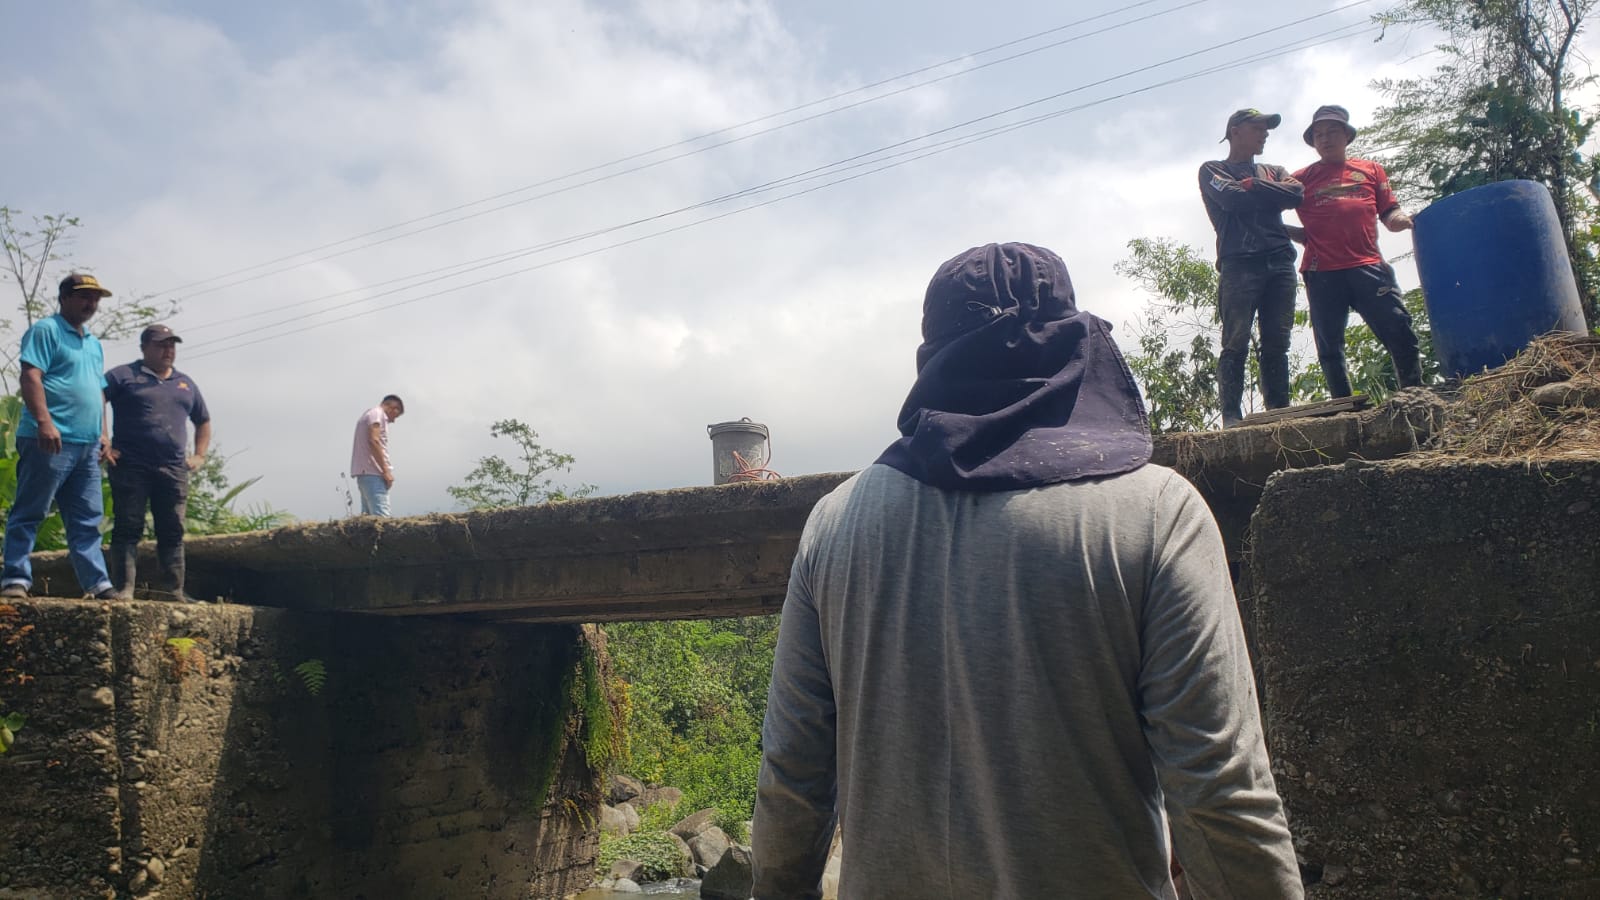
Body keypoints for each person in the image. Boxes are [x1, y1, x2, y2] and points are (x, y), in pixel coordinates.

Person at [752, 243, 1302, 899]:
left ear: (932, 357)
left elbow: (794, 772)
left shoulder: (836, 523)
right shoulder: (1157, 512)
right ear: (1073, 345)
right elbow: (1217, 789)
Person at [1288, 104, 1423, 397]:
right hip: (1322, 272)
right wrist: (1288, 232)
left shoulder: (1370, 171)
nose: (1325, 139)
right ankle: (1344, 404)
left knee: (1398, 326)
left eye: (1332, 131)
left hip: (1368, 265)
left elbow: (1389, 212)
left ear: (1347, 136)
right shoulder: (1299, 180)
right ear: (1313, 142)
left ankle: (1413, 394)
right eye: (1319, 134)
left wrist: (1403, 220)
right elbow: (1268, 205)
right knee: (1330, 344)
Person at [0, 274, 118, 600]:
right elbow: (31, 375)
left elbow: (97, 391)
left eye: (95, 298)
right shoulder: (46, 330)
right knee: (31, 510)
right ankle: (15, 579)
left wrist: (104, 433)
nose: (91, 304)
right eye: (84, 296)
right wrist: (44, 422)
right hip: (50, 440)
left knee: (87, 519)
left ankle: (97, 583)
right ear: (65, 297)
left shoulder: (92, 343)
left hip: (87, 445)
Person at [1199, 108, 1304, 426]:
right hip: (1239, 263)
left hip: (1280, 262)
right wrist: (1271, 195)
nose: (1265, 134)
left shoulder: (1274, 170)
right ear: (1235, 131)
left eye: (1265, 129)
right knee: (1235, 340)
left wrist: (1254, 186)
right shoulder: (1212, 169)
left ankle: (1279, 412)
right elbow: (1233, 200)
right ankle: (1231, 416)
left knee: (1277, 342)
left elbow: (1296, 193)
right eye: (1257, 128)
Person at [102, 324, 211, 602]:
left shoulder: (185, 384)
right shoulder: (123, 375)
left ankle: (173, 591)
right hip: (131, 465)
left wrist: (199, 455)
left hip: (173, 468)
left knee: (172, 529)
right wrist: (103, 438)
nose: (168, 350)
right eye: (161, 345)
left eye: (171, 345)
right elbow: (96, 398)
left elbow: (203, 420)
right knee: (128, 526)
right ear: (144, 348)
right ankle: (124, 589)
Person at [350, 395, 404, 516]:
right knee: (382, 517)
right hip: (373, 473)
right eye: (396, 415)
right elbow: (374, 441)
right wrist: (385, 471)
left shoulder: (369, 414)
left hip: (366, 473)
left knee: (369, 517)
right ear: (393, 408)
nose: (393, 420)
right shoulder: (377, 414)